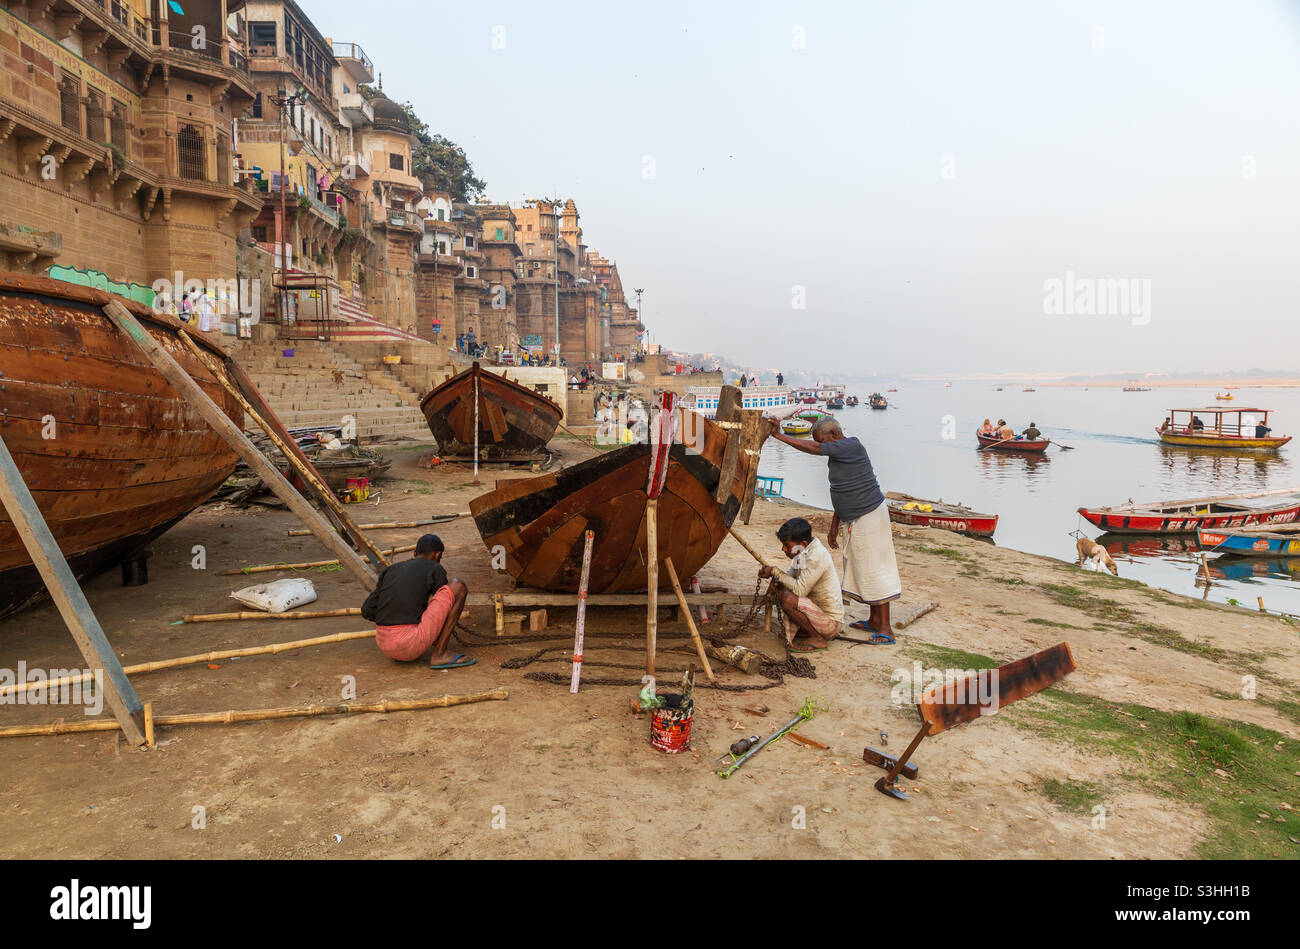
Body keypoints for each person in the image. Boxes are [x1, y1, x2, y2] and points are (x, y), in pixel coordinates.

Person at [766, 416, 901, 643]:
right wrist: (834, 525)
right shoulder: (839, 455)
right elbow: (841, 489)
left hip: (869, 515)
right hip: (854, 517)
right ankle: (875, 620)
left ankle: (886, 628)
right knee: (861, 567)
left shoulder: (852, 445)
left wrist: (778, 435)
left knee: (875, 567)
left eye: (823, 441)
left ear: (835, 436)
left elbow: (814, 448)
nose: (822, 446)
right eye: (820, 442)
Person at [361, 534, 472, 668]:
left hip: (384, 644)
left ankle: (404, 649)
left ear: (414, 553)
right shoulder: (435, 567)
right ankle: (440, 654)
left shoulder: (390, 570)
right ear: (437, 555)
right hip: (408, 644)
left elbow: (366, 610)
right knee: (458, 586)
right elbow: (445, 607)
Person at [759, 517, 844, 651]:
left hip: (831, 623)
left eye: (787, 545)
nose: (783, 549)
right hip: (817, 616)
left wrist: (775, 571)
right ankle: (809, 632)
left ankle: (818, 638)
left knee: (788, 599)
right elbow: (789, 576)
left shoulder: (816, 556)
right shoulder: (803, 553)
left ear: (803, 544)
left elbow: (799, 590)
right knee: (783, 592)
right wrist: (777, 580)